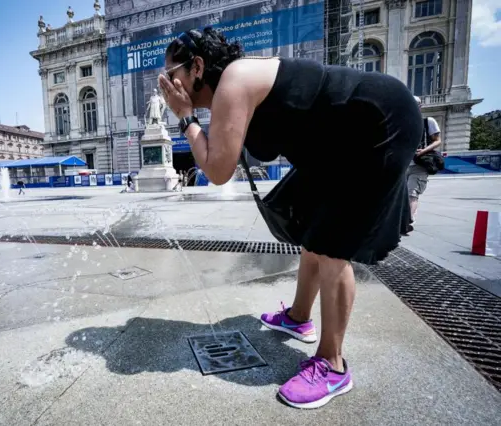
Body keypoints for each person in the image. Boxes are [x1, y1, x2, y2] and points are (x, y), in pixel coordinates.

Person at [159, 28, 421, 409]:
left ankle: (332, 366)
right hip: (337, 144)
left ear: (197, 66)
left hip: (376, 122)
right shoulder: (230, 85)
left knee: (333, 246)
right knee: (315, 232)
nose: (168, 83)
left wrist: (185, 116)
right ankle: (299, 317)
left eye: (173, 72)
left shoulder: (233, 81)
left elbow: (217, 170)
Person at [406, 96, 441, 231]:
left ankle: (409, 221)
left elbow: (437, 140)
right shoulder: (404, 123)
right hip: (403, 164)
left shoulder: (428, 122)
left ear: (420, 107)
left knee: (412, 193)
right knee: (401, 194)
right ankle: (401, 219)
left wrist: (423, 150)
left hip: (419, 163)